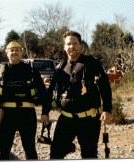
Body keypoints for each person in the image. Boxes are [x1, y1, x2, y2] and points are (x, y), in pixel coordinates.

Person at [48, 31, 112, 159]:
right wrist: (45, 111)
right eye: (68, 44)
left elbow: (105, 87)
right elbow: (50, 90)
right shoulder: (60, 67)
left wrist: (107, 109)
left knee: (89, 156)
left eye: (75, 43)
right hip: (66, 118)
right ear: (64, 47)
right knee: (55, 154)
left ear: (80, 45)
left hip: (88, 119)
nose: (72, 46)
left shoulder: (92, 63)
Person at [0, 40, 49, 160]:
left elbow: (43, 93)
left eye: (17, 49)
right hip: (6, 114)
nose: (14, 52)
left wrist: (45, 112)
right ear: (7, 53)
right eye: (11, 50)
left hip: (27, 114)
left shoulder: (31, 70)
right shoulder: (1, 70)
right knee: (3, 150)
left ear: (22, 52)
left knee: (30, 149)